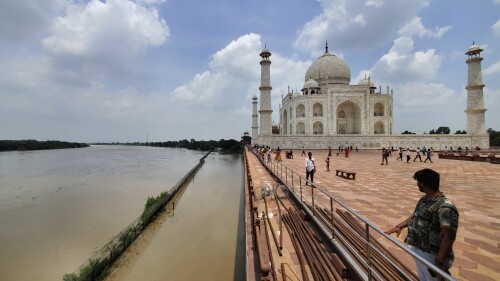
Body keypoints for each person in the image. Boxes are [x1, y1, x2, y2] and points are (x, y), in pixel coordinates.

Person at [385, 169, 459, 281]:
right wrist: (400, 226)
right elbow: (416, 215)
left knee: (433, 279)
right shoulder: (424, 199)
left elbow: (449, 237)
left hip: (432, 255)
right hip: (419, 248)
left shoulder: (445, 206)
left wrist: (439, 261)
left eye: (418, 182)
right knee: (423, 277)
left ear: (424, 184)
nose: (417, 184)